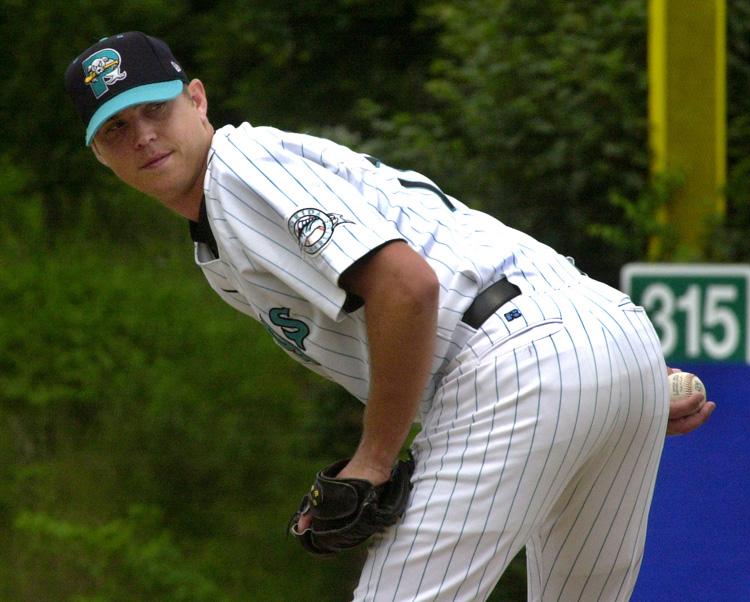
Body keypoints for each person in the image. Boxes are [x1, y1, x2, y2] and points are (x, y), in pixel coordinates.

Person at [65, 32, 714, 601]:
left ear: (198, 99)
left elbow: (407, 286)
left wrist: (374, 461)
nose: (143, 134)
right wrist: (613, 381)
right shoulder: (232, 217)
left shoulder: (237, 172)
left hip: (518, 361)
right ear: (98, 155)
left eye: (156, 108)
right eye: (116, 128)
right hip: (601, 337)